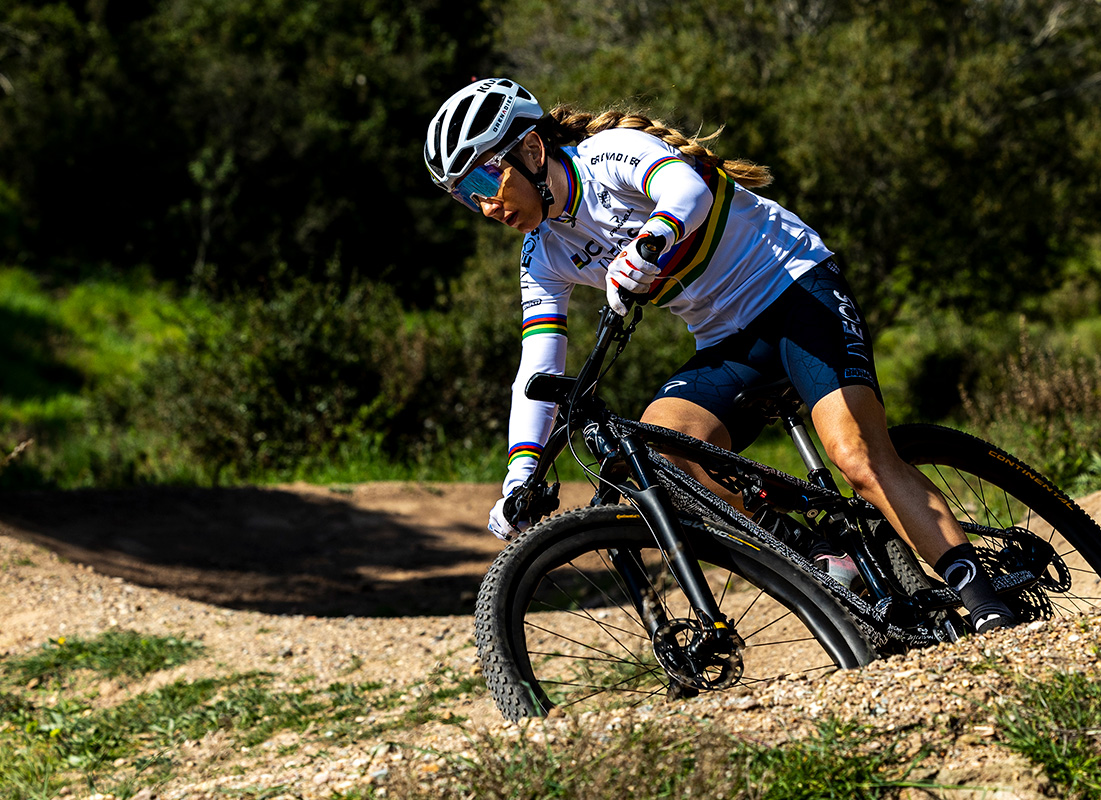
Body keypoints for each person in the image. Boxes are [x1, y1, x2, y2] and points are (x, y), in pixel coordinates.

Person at [424, 77, 1016, 634]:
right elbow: (538, 368)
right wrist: (521, 475)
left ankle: (985, 598)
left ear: (532, 150)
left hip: (793, 288)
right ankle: (818, 551)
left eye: (485, 181)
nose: (486, 206)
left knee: (856, 456)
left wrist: (649, 244)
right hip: (726, 341)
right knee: (660, 451)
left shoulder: (606, 155)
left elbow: (687, 189)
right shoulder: (542, 254)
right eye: (465, 197)